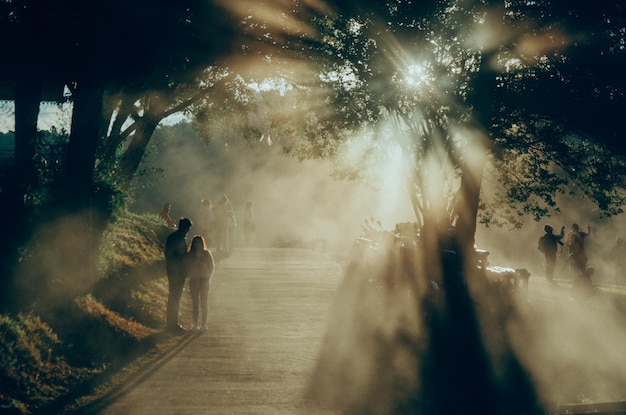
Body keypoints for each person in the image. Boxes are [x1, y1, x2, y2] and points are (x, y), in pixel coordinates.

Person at [164, 217, 192, 333]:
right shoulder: (179, 239)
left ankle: (171, 323)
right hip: (177, 272)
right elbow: (179, 256)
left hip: (173, 270)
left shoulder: (173, 237)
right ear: (185, 227)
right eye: (188, 228)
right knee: (175, 297)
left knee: (173, 297)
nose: (188, 231)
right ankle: (172, 324)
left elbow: (168, 254)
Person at [186, 235, 215, 332]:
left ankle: (204, 323)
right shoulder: (190, 254)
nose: (197, 245)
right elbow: (187, 266)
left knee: (204, 301)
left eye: (199, 243)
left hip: (204, 279)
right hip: (194, 279)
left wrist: (208, 277)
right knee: (195, 302)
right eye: (195, 243)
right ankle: (195, 323)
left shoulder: (206, 254)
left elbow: (211, 266)